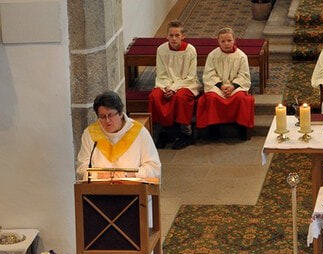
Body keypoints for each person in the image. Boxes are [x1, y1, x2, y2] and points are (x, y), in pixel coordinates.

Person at [76, 91, 161, 181]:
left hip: (132, 187)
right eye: (102, 117)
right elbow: (82, 168)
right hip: (99, 188)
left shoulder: (139, 132)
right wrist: (101, 175)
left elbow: (154, 167)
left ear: (120, 113)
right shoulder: (91, 133)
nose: (107, 121)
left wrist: (129, 174)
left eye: (110, 115)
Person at [147, 20, 200, 150]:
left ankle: (186, 133)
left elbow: (190, 76)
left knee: (180, 97)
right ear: (167, 36)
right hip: (165, 84)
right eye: (171, 35)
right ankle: (164, 132)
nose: (174, 38)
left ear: (183, 36)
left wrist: (174, 89)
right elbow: (161, 73)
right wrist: (166, 88)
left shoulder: (190, 50)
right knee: (155, 96)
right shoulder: (161, 49)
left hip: (186, 84)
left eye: (177, 35)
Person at [196, 27, 255, 138]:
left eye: (229, 40)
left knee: (241, 99)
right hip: (217, 87)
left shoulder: (241, 56)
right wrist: (221, 86)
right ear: (218, 42)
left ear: (234, 40)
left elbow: (243, 75)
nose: (226, 44)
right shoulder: (213, 55)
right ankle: (214, 130)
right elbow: (209, 74)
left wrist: (233, 86)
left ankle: (241, 129)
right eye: (223, 41)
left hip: (235, 87)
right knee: (212, 98)